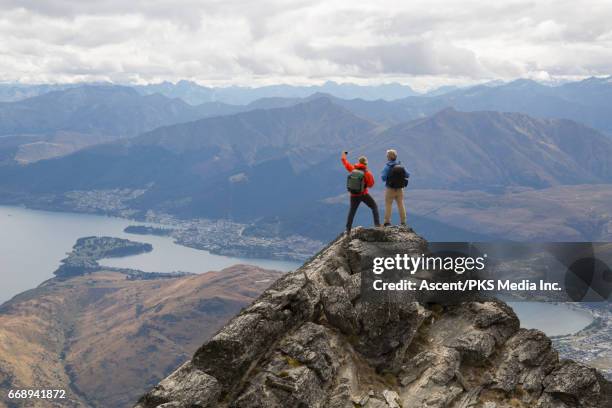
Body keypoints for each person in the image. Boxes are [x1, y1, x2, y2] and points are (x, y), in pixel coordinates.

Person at [342, 151, 380, 233]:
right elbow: (371, 185)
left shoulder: (353, 169)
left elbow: (345, 162)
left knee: (352, 211)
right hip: (363, 194)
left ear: (359, 162)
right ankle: (377, 225)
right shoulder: (367, 173)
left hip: (353, 194)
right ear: (366, 163)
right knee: (374, 207)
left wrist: (344, 154)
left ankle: (348, 229)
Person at [381, 149, 408, 226]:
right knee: (401, 204)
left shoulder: (387, 167)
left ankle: (387, 222)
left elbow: (383, 178)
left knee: (388, 204)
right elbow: (407, 175)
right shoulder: (400, 166)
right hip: (400, 189)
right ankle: (403, 221)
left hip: (390, 189)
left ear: (388, 157)